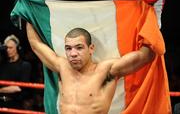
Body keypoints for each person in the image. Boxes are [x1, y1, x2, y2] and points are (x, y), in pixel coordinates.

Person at [26, 22, 155, 114]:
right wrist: (27, 8)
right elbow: (35, 44)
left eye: (79, 47)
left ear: (91, 48)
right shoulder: (62, 66)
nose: (73, 53)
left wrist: (154, 13)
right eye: (68, 48)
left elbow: (146, 55)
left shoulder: (106, 70)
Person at [0, 34, 32, 109]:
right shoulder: (2, 65)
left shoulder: (25, 65)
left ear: (17, 48)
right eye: (6, 48)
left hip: (15, 104)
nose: (8, 50)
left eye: (10, 48)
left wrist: (1, 90)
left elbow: (19, 88)